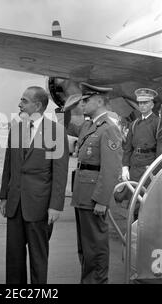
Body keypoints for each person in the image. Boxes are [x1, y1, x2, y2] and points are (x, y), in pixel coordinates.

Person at [0, 86, 69, 284]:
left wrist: (55, 205)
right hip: (15, 204)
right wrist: (4, 195)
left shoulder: (56, 131)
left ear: (37, 105)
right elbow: (9, 166)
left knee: (38, 257)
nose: (19, 104)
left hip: (39, 206)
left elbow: (60, 173)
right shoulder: (17, 128)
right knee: (13, 257)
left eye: (24, 100)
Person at [66, 82, 122, 284]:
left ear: (99, 101)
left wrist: (102, 200)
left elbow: (111, 169)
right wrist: (68, 106)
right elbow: (70, 126)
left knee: (95, 246)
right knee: (85, 246)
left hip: (94, 197)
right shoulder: (89, 126)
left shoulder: (108, 129)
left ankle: (97, 281)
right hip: (82, 194)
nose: (83, 105)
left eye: (86, 100)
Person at [122, 88, 162, 218]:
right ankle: (134, 233)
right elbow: (128, 148)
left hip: (149, 168)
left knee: (146, 202)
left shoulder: (158, 123)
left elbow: (160, 149)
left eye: (146, 103)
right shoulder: (134, 124)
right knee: (133, 202)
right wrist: (124, 166)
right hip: (134, 168)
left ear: (152, 104)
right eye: (140, 103)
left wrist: (155, 171)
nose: (142, 106)